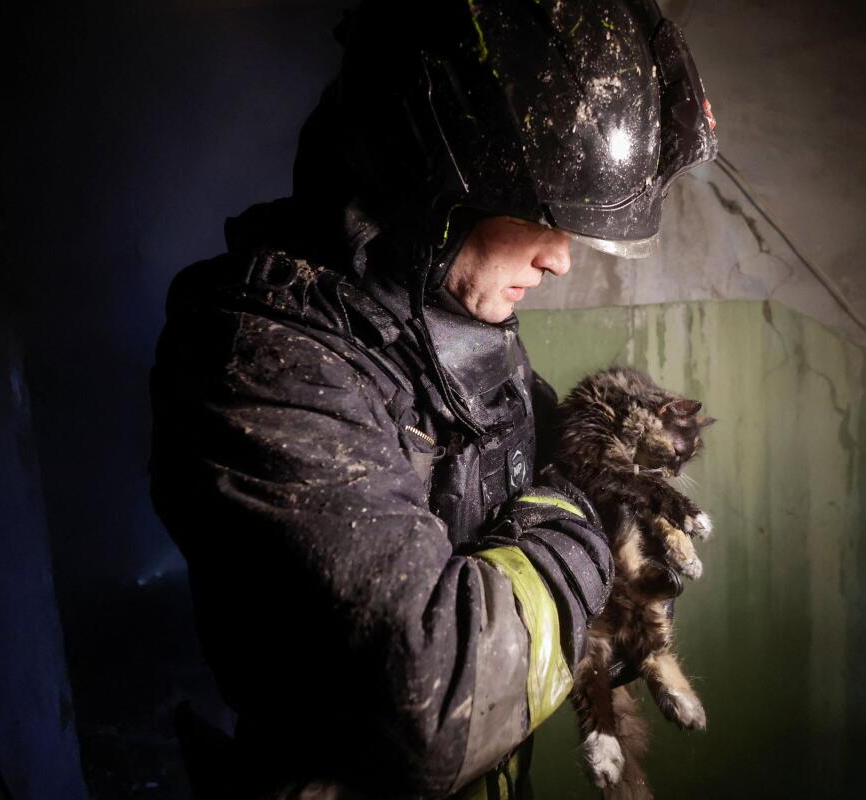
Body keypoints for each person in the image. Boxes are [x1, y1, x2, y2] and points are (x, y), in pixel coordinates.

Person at [149, 1, 717, 797]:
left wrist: (622, 557)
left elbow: (544, 513)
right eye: (537, 213)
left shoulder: (448, 320)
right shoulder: (265, 360)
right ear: (430, 187)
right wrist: (589, 525)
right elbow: (440, 702)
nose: (561, 259)